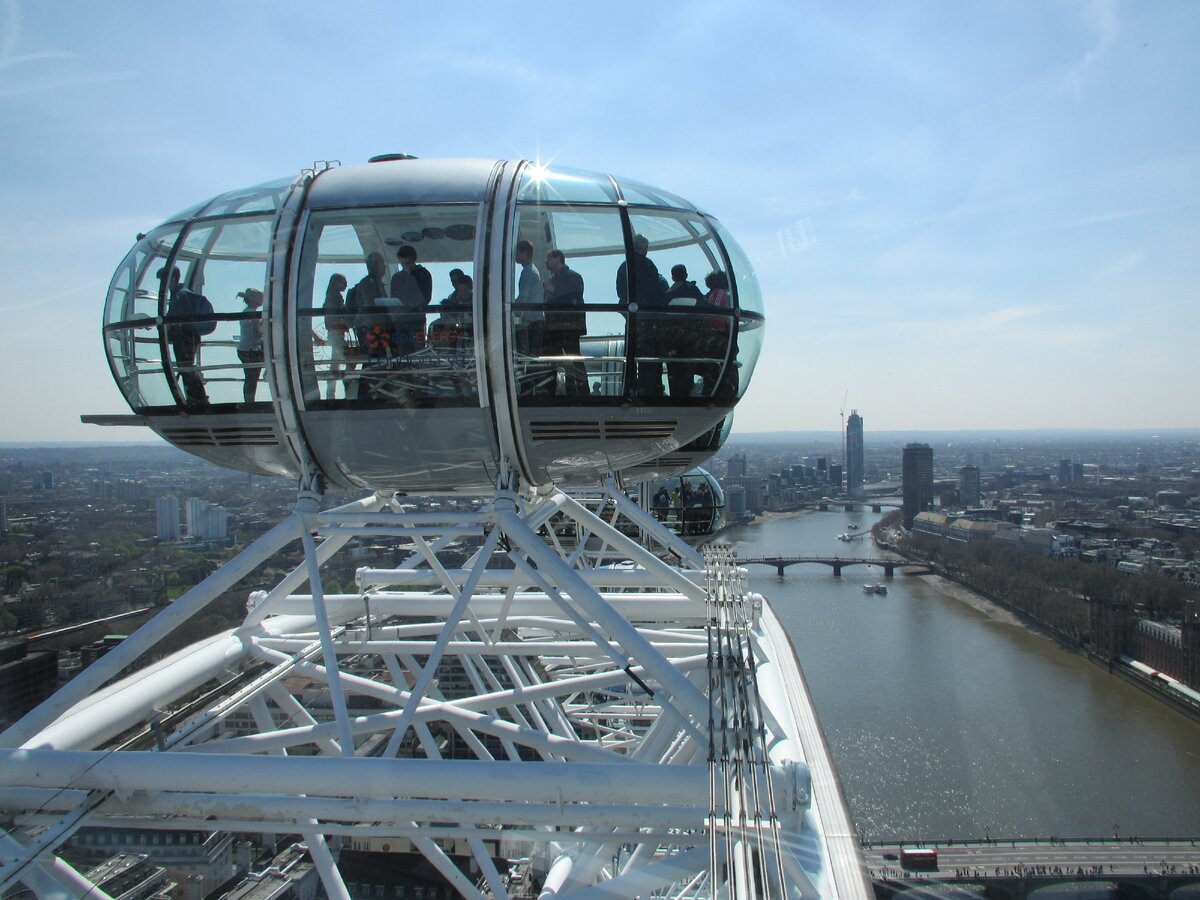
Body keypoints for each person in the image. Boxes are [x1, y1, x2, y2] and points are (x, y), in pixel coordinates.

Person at [616, 235, 668, 397]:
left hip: (631, 318)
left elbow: (620, 291)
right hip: (648, 318)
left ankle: (629, 388)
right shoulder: (648, 265)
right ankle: (648, 390)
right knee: (648, 356)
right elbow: (655, 290)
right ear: (644, 248)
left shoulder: (624, 266)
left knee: (630, 354)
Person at [160, 265, 214, 407]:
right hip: (188, 337)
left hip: (185, 338)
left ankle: (199, 400)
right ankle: (196, 399)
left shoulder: (180, 296)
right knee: (186, 368)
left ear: (172, 279)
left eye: (163, 280)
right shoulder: (181, 294)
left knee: (186, 368)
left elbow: (179, 319)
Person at [542, 249, 587, 396]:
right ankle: (570, 390)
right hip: (560, 326)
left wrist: (552, 290)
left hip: (567, 326)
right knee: (563, 359)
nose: (546, 262)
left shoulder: (572, 277)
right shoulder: (569, 277)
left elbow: (571, 298)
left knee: (572, 358)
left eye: (549, 259)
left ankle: (578, 391)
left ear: (557, 259)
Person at [663, 264, 706, 398]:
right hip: (691, 339)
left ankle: (676, 398)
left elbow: (664, 319)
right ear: (686, 275)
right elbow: (703, 308)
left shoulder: (668, 294)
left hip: (674, 340)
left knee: (674, 372)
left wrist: (667, 344)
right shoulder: (694, 290)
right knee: (688, 371)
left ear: (672, 277)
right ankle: (687, 397)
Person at [389, 245, 433, 355]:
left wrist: (408, 306)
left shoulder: (423, 274)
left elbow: (425, 297)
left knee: (418, 351)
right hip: (401, 321)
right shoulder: (397, 278)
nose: (405, 264)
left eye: (407, 262)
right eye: (403, 262)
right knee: (402, 351)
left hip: (416, 320)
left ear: (413, 259)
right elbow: (393, 298)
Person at [700, 270, 737, 399]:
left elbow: (712, 313)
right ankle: (724, 391)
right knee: (722, 367)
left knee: (714, 367)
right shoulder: (721, 294)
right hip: (720, 337)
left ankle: (712, 390)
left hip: (716, 337)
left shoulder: (715, 294)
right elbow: (715, 313)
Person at [350, 252, 391, 359]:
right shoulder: (368, 284)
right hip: (372, 329)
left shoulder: (376, 283)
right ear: (374, 264)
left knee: (378, 358)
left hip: (375, 328)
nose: (385, 267)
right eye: (382, 263)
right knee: (374, 359)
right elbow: (371, 307)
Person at [514, 239, 544, 356]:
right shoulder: (532, 270)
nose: (515, 256)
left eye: (517, 253)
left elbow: (523, 297)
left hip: (532, 321)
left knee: (527, 355)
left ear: (525, 253)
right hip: (535, 320)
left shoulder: (528, 272)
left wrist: (510, 308)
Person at [322, 273, 349, 400]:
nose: (345, 286)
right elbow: (334, 317)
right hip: (336, 333)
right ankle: (344, 392)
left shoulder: (330, 297)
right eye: (343, 283)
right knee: (346, 360)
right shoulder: (335, 297)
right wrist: (344, 324)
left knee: (335, 364)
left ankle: (330, 395)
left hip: (334, 333)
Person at [237, 288, 265, 403]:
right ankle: (250, 401)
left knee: (250, 378)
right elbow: (257, 331)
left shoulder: (245, 311)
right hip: (251, 350)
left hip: (244, 349)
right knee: (252, 378)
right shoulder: (253, 313)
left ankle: (249, 401)